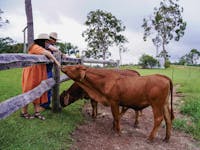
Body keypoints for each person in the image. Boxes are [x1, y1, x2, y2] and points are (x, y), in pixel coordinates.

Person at [21, 33, 61, 120]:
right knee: (28, 91)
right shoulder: (35, 47)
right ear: (42, 41)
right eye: (46, 41)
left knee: (38, 91)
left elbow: (47, 54)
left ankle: (37, 112)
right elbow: (47, 53)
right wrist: (56, 62)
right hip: (31, 72)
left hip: (39, 72)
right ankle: (24, 112)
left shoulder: (41, 48)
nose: (48, 43)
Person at [40, 32, 61, 110]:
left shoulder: (50, 45)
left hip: (48, 69)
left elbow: (56, 50)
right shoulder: (47, 45)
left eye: (55, 40)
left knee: (49, 86)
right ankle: (43, 104)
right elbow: (55, 50)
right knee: (46, 86)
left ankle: (46, 104)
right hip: (45, 69)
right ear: (50, 39)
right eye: (54, 39)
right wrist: (60, 52)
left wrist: (61, 53)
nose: (55, 41)